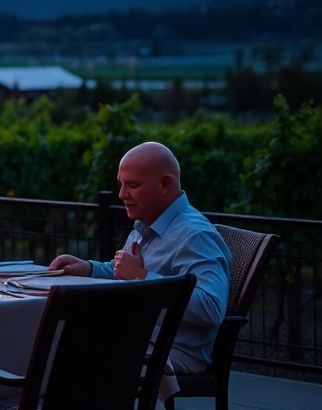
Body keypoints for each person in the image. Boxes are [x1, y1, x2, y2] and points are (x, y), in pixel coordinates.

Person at [49, 141, 231, 376]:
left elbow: (212, 309)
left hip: (171, 351)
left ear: (165, 184)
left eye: (132, 185)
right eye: (121, 184)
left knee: (68, 349)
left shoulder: (195, 235)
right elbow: (124, 273)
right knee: (57, 338)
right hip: (137, 335)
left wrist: (141, 276)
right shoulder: (148, 223)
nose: (122, 194)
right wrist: (88, 268)